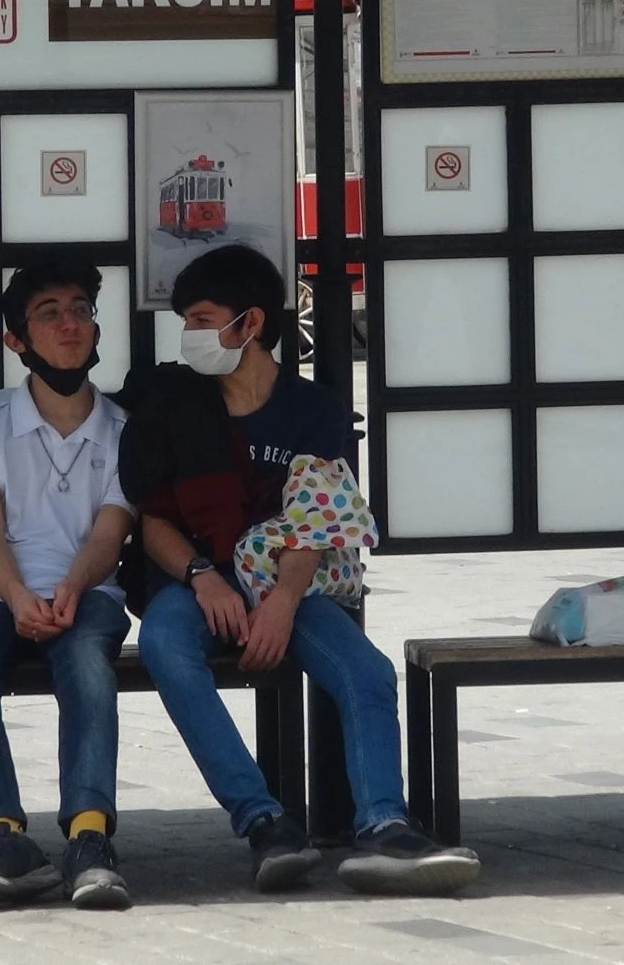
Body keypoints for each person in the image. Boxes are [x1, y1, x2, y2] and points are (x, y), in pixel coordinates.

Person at [121, 244, 481, 895]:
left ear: (250, 323)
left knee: (366, 671)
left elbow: (316, 517)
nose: (191, 335)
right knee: (164, 643)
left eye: (202, 319)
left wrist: (283, 602)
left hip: (288, 582)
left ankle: (384, 827)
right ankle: (264, 822)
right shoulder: (172, 406)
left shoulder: (314, 409)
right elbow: (153, 521)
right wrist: (203, 575)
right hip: (195, 581)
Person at [0, 262, 134, 911]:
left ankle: (88, 837)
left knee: (87, 666)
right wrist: (20, 597)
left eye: (80, 308)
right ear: (15, 338)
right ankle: (1, 835)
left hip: (87, 591)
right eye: (49, 312)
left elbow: (108, 535)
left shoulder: (121, 427)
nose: (70, 323)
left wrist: (73, 588)